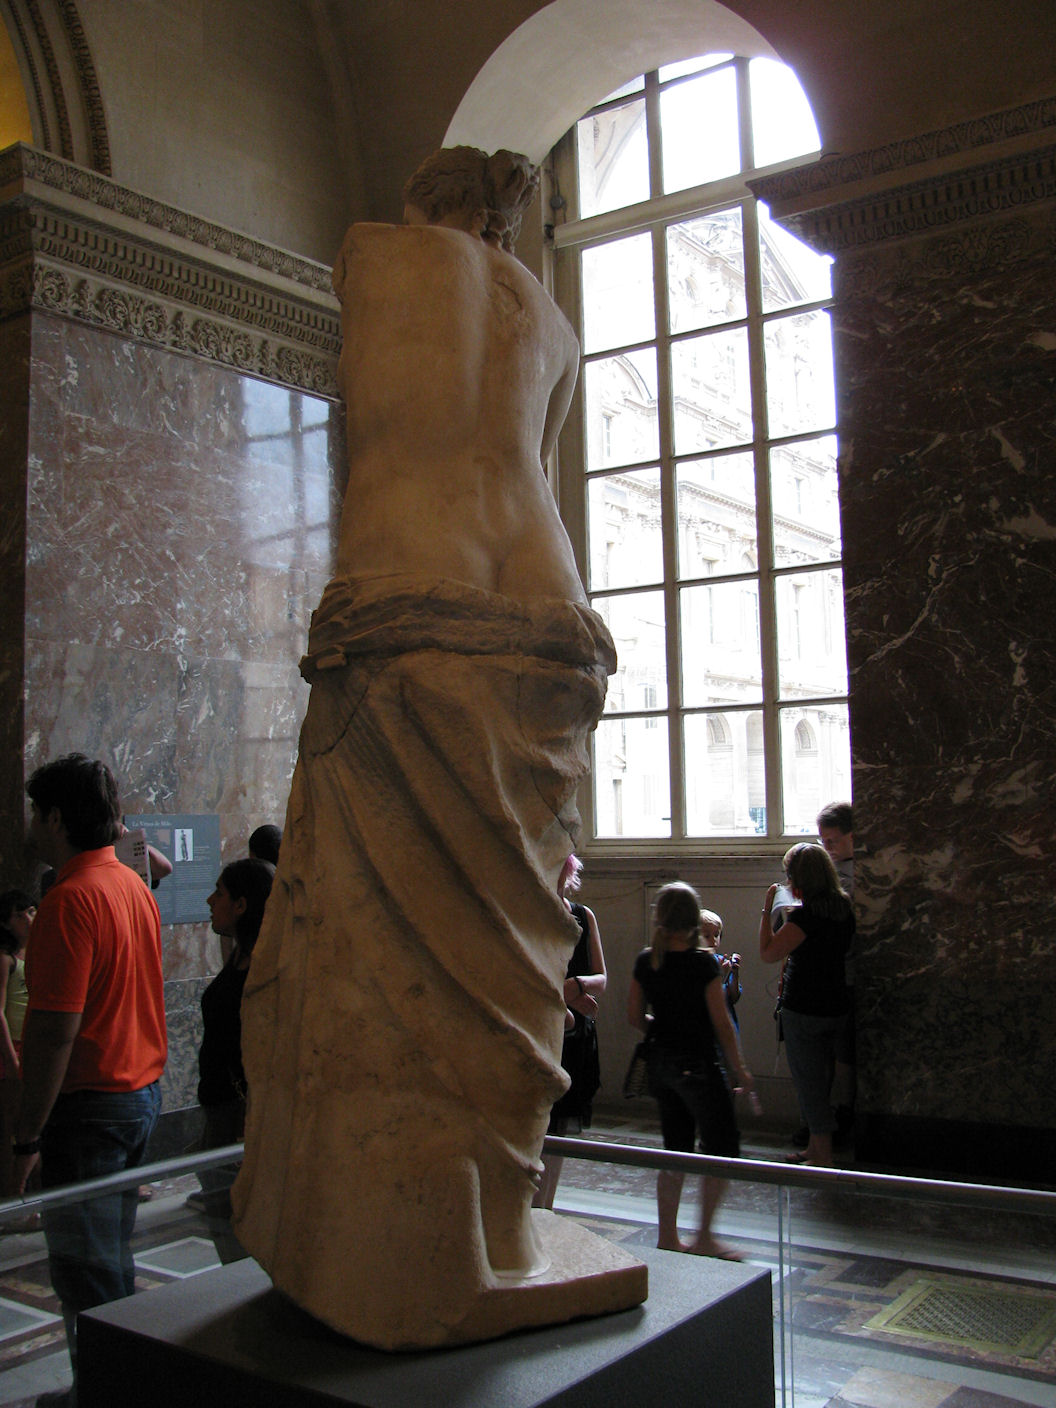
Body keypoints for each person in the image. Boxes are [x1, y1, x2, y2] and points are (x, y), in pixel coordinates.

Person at [231, 147, 619, 1349]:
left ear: (425, 202)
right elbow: (523, 457)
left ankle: (399, 1248)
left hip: (412, 592)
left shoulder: (375, 255)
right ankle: (490, 1230)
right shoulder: (552, 320)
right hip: (551, 615)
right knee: (503, 948)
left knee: (378, 942)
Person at [12, 755, 166, 1405]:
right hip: (137, 1095)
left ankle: (109, 1395)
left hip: (91, 1106)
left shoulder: (70, 900)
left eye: (35, 812)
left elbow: (54, 1033)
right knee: (109, 1259)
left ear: (54, 818)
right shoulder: (128, 883)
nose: (29, 824)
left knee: (87, 1272)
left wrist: (26, 1137)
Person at [628, 882, 758, 1260]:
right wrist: (740, 1069)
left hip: (661, 1066)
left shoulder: (647, 960)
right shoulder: (703, 963)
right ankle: (704, 1236)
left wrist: (665, 1030)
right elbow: (721, 1023)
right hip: (699, 1064)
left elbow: (634, 1017)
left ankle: (667, 1234)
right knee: (721, 1148)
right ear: (693, 921)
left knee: (675, 1150)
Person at [196, 858, 274, 1263]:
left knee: (240, 1231)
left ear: (241, 904)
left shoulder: (264, 965)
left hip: (241, 1116)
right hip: (223, 1109)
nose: (211, 901)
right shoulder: (241, 955)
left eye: (220, 893)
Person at [760, 843, 855, 1168]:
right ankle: (815, 1147)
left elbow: (769, 952)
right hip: (836, 1002)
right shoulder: (843, 908)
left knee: (809, 1083)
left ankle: (822, 1154)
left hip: (804, 1006)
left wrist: (767, 911)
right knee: (825, 1079)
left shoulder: (805, 917)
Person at [533, 854, 605, 1210]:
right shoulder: (534, 914)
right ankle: (532, 1208)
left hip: (577, 1037)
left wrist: (574, 986)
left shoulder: (583, 915)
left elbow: (601, 979)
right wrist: (564, 996)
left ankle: (547, 1207)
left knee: (562, 1127)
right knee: (540, 1125)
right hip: (546, 1028)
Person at [816, 801, 856, 1145]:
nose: (827, 848)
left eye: (834, 841)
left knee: (845, 1051)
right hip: (827, 972)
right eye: (823, 842)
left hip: (849, 970)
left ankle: (844, 1113)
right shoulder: (826, 871)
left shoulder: (860, 873)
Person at [0, 891, 34, 1206]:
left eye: (31, 912)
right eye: (19, 914)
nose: (28, 919)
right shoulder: (6, 959)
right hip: (13, 1046)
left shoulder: (36, 953)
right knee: (12, 1124)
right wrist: (10, 1058)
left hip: (34, 1043)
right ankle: (12, 1196)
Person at [700, 907, 741, 1029]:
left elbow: (734, 997)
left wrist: (734, 973)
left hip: (726, 1023)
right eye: (706, 936)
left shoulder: (722, 961)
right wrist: (719, 975)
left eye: (716, 935)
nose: (713, 940)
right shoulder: (694, 964)